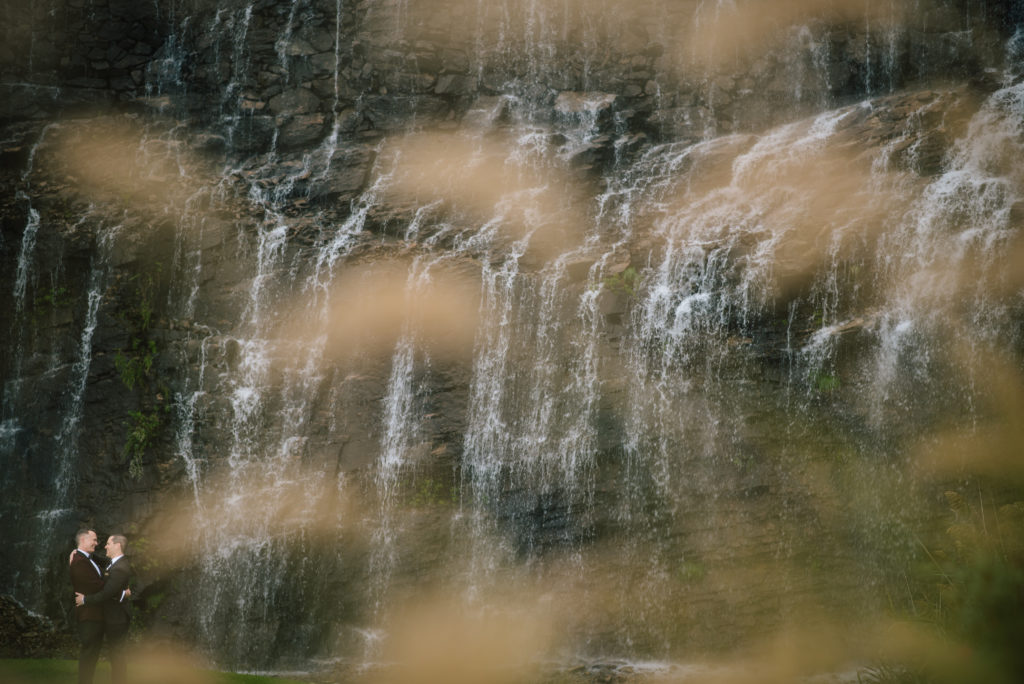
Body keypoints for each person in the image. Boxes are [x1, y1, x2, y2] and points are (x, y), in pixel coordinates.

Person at [74, 534, 132, 684]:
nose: (105, 546)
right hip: (110, 616)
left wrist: (85, 599)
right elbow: (97, 559)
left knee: (117, 656)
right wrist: (78, 552)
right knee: (115, 655)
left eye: (108, 543)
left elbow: (106, 592)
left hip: (117, 618)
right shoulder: (113, 563)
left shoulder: (120, 568)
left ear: (117, 545)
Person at [69, 529, 107, 684]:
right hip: (88, 615)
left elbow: (108, 563)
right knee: (89, 653)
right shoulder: (78, 561)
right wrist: (117, 587)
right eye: (94, 540)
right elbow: (96, 586)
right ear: (83, 540)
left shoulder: (86, 558)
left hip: (95, 614)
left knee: (92, 654)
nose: (97, 543)